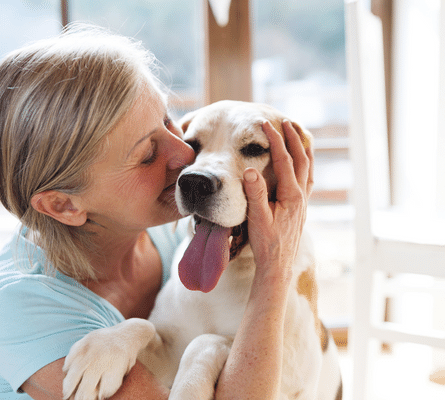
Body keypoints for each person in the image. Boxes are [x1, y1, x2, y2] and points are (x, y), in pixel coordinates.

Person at [0, 24, 313, 400]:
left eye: (169, 123)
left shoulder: (172, 232)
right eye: (147, 154)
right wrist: (274, 268)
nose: (186, 158)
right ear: (64, 205)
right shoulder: (19, 312)